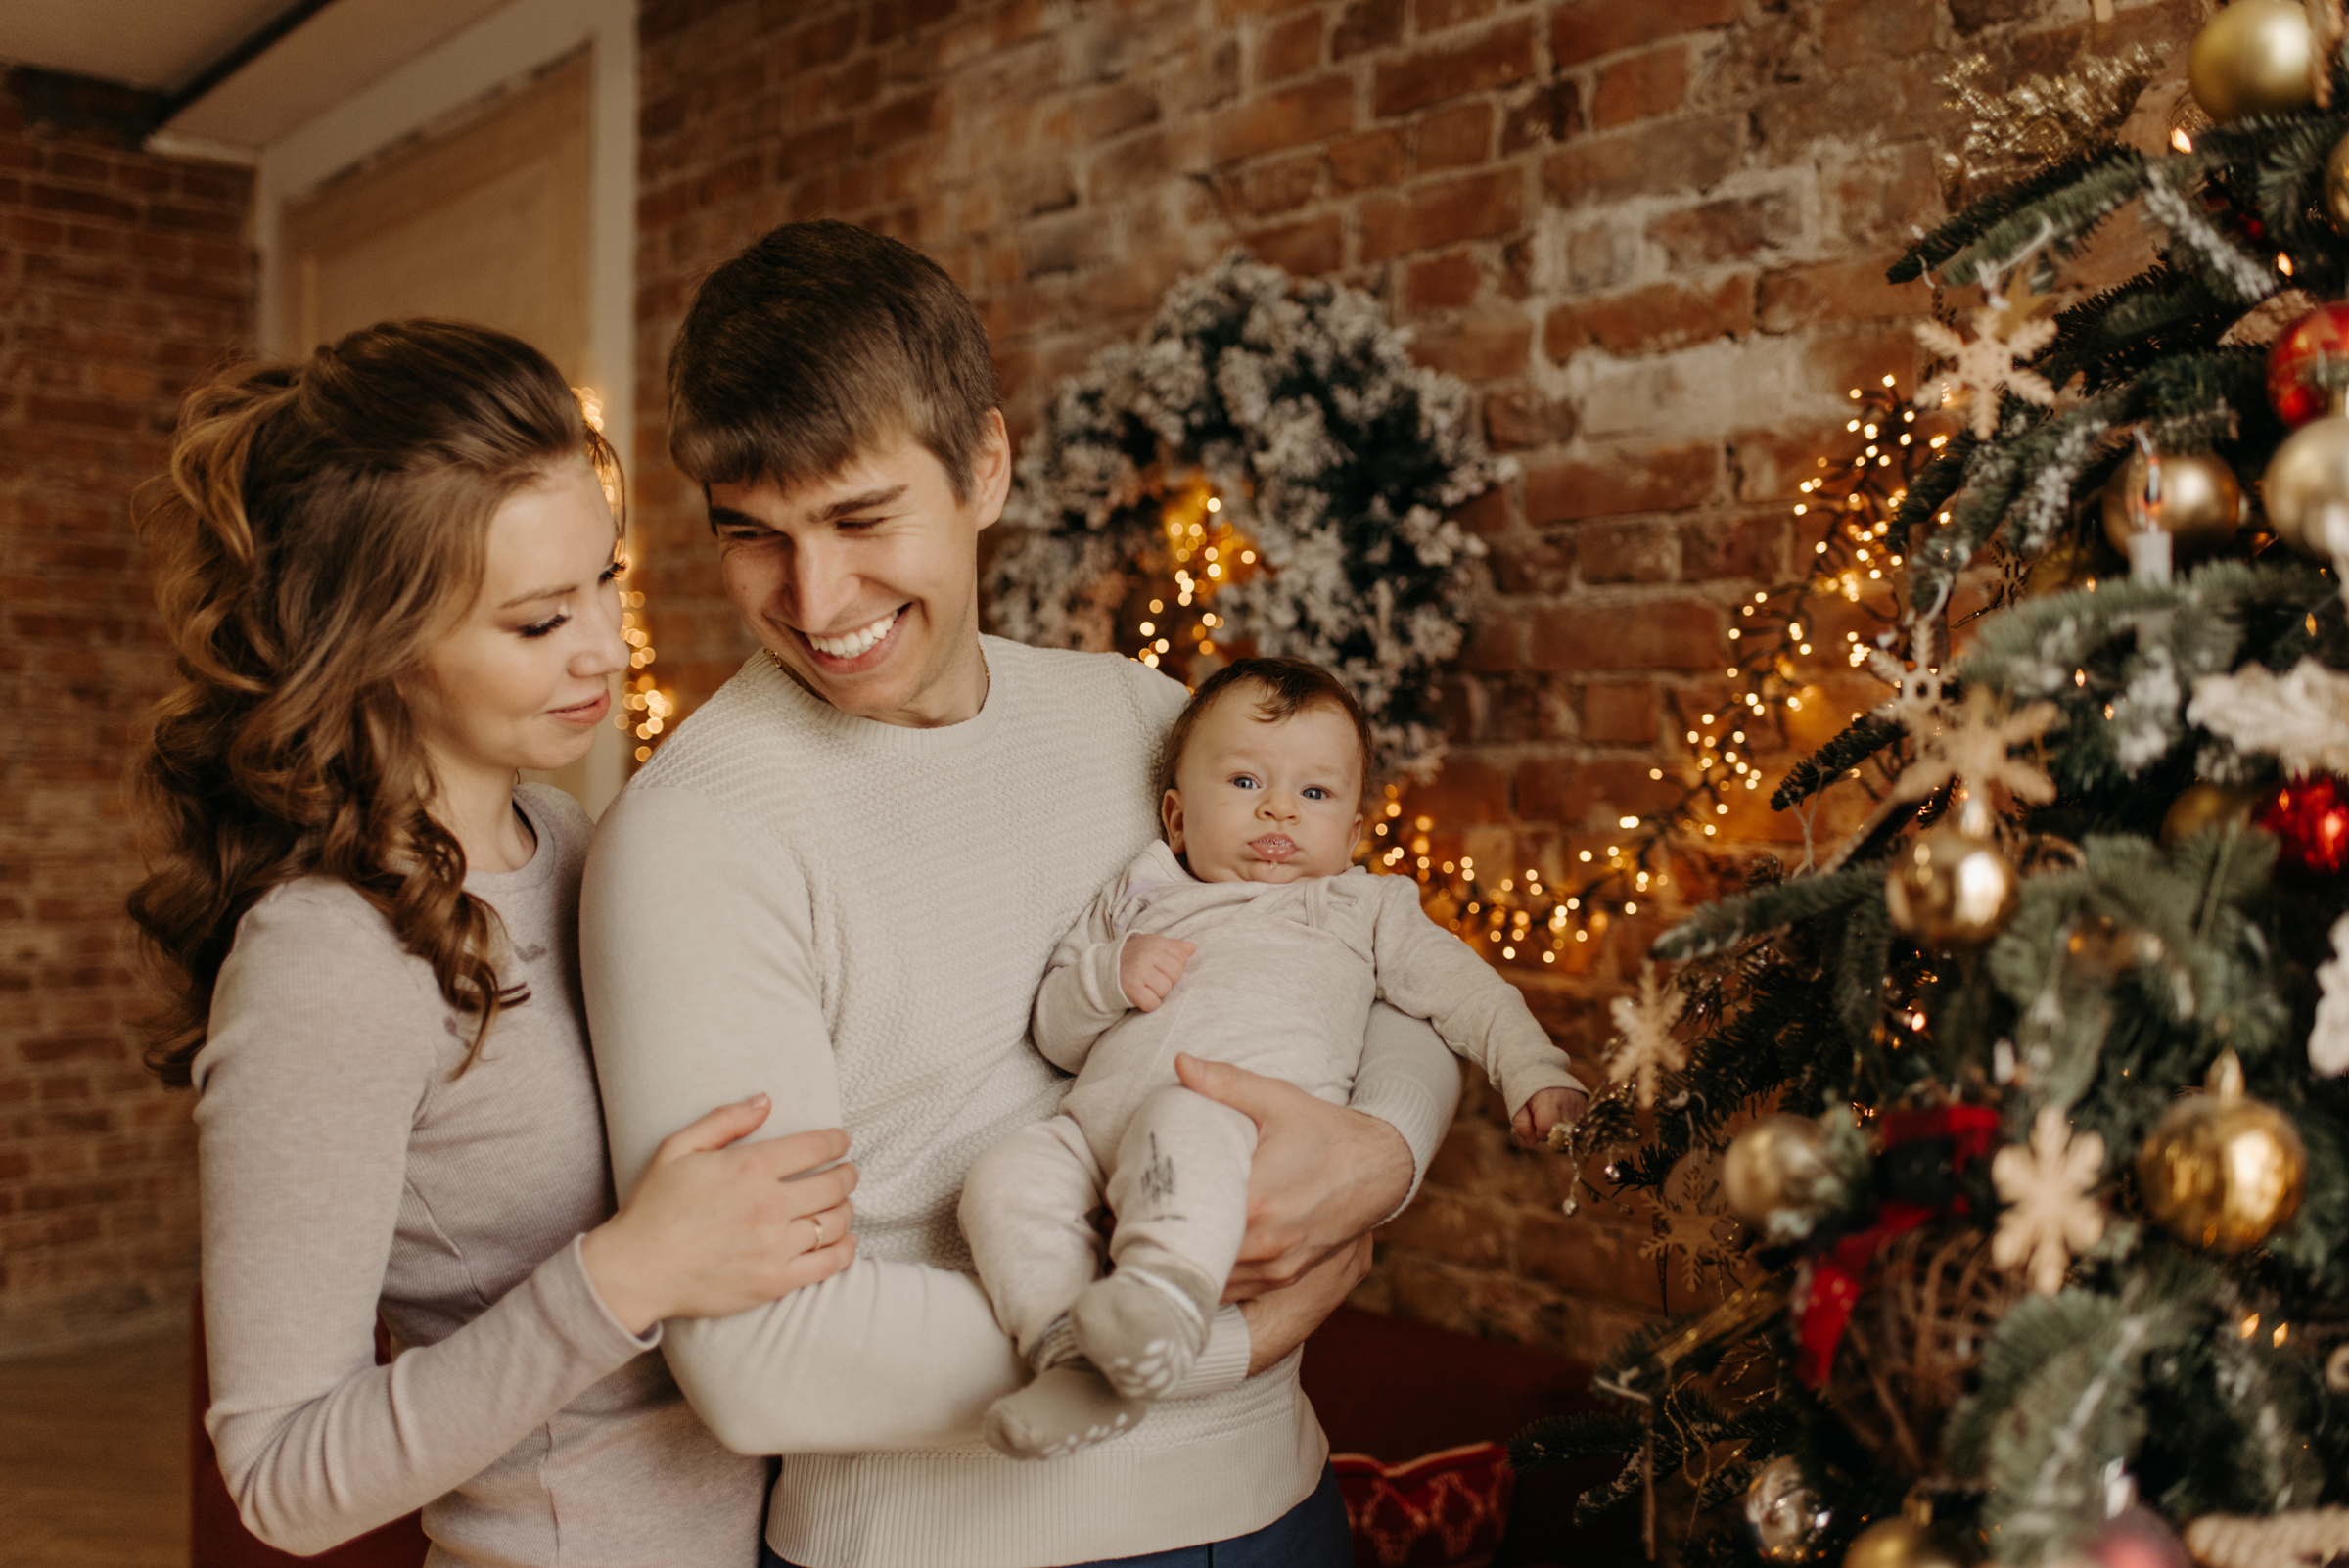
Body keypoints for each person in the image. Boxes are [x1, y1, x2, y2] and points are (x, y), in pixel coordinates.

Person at [581, 218, 1466, 1568]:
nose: (817, 597)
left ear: (985, 466)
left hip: (1279, 1512)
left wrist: (1385, 1153)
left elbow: (1371, 950)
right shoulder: (697, 834)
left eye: (861, 516)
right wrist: (1207, 1332)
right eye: (752, 533)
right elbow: (758, 1358)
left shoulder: (1138, 715)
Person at [130, 319, 859, 1566]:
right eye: (534, 623)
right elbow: (282, 1477)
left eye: (605, 581)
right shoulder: (326, 959)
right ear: (381, 642)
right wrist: (623, 1276)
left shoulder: (569, 837)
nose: (598, 648)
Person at [962, 657, 1589, 1460]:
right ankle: (1072, 1360)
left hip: (1235, 1126)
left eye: (1315, 794)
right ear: (1178, 819)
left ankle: (1161, 1303)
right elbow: (1055, 1031)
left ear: (1355, 834)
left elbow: (1466, 993)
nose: (1281, 811)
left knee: (1185, 1116)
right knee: (1002, 1179)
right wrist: (1107, 976)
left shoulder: (1359, 907)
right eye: (1246, 783)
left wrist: (1532, 1068)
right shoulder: (1141, 893)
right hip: (1090, 1133)